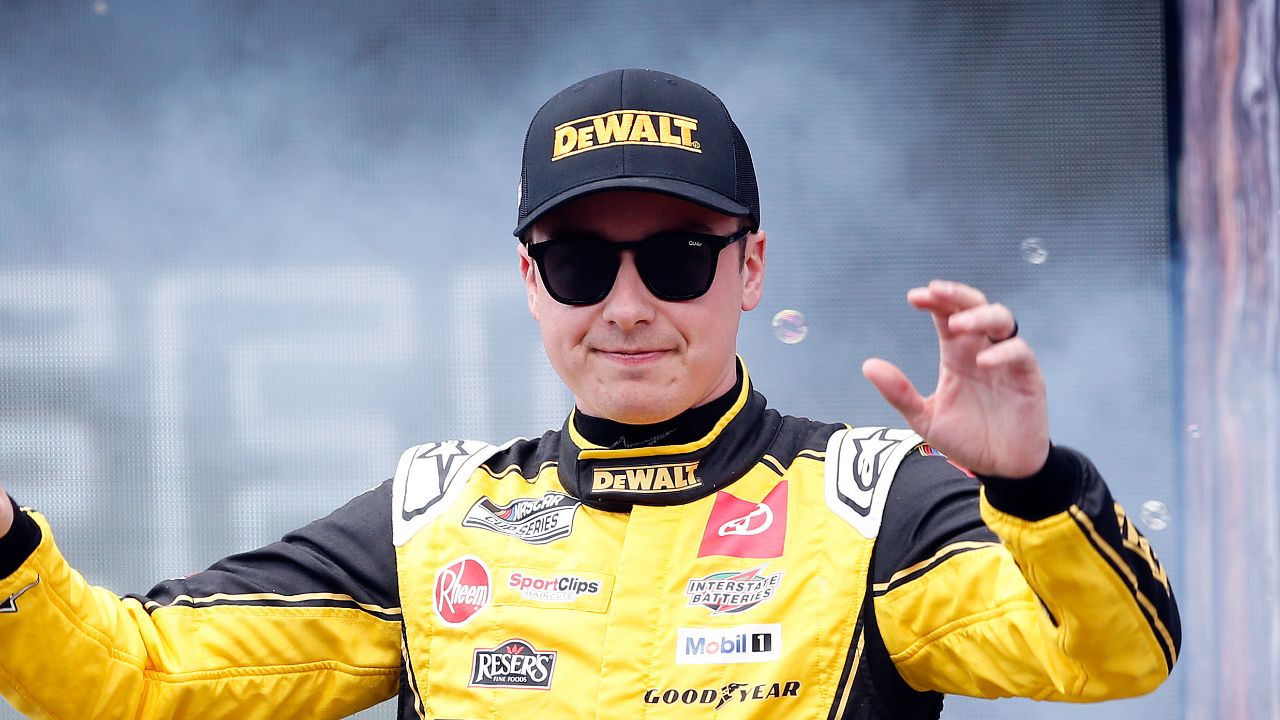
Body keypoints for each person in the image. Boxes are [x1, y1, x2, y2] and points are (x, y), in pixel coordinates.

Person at [0, 69, 1177, 719]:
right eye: (577, 261)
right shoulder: (434, 515)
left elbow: (1111, 657)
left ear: (750, 268)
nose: (623, 304)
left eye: (673, 258)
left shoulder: (871, 504)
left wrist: (1030, 488)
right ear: (527, 280)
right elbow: (128, 674)